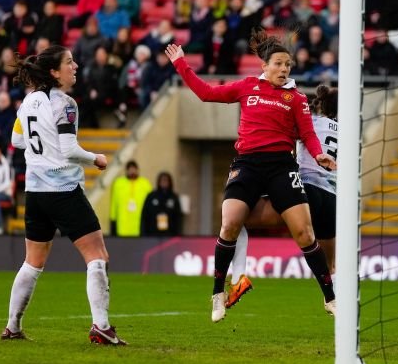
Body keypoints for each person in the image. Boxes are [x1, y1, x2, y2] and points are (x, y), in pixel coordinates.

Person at [164, 29, 337, 323]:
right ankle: (219, 293)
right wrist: (181, 64)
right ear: (265, 66)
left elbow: (307, 133)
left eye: (288, 65)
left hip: (282, 166)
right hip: (246, 165)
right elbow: (206, 93)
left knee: (305, 233)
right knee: (230, 223)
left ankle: (330, 298)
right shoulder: (246, 87)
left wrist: (318, 153)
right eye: (279, 64)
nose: (284, 69)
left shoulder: (296, 98)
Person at [1, 45, 125, 344]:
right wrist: (96, 158)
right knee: (97, 256)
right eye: (69, 62)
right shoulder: (66, 104)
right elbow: (69, 150)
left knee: (32, 262)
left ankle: (13, 327)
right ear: (54, 72)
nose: (76, 66)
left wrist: (41, 145)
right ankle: (101, 327)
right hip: (63, 190)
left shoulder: (28, 102)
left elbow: (17, 140)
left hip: (35, 193)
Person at [225, 84, 339, 310]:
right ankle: (336, 306)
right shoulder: (351, 131)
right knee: (329, 268)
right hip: (333, 201)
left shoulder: (310, 122)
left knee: (237, 218)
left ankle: (238, 279)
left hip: (305, 191)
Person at [109, 160, 153, 237]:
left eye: (134, 169)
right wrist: (113, 219)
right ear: (126, 171)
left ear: (137, 170)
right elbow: (114, 203)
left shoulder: (145, 184)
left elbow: (150, 204)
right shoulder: (118, 183)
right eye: (130, 169)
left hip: (140, 223)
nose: (132, 171)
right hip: (122, 223)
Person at [141, 171, 182, 236]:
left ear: (170, 182)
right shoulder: (151, 196)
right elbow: (145, 215)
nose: (164, 182)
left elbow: (178, 218)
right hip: (153, 233)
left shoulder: (174, 198)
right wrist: (144, 233)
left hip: (169, 233)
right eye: (162, 180)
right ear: (159, 182)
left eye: (166, 180)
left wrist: (178, 234)